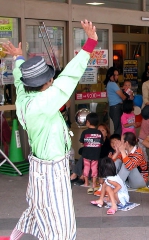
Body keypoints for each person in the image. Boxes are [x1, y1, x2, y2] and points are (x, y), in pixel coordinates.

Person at [1, 20, 97, 240]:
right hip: (51, 172)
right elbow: (68, 78)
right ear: (45, 84)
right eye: (49, 79)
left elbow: (18, 78)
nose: (53, 81)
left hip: (40, 169)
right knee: (60, 225)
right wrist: (90, 44)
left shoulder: (24, 98)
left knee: (40, 211)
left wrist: (18, 58)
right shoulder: (43, 103)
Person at [79, 112, 103, 193]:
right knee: (94, 169)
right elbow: (101, 143)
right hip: (96, 155)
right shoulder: (99, 133)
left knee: (86, 168)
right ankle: (93, 184)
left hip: (86, 154)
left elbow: (81, 143)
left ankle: (86, 183)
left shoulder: (85, 132)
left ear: (88, 122)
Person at [104, 67, 129, 135]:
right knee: (119, 128)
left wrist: (121, 88)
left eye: (117, 75)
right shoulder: (113, 84)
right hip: (116, 108)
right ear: (110, 75)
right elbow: (123, 97)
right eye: (115, 75)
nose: (117, 77)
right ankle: (116, 143)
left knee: (118, 127)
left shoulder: (109, 83)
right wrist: (128, 95)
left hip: (113, 108)